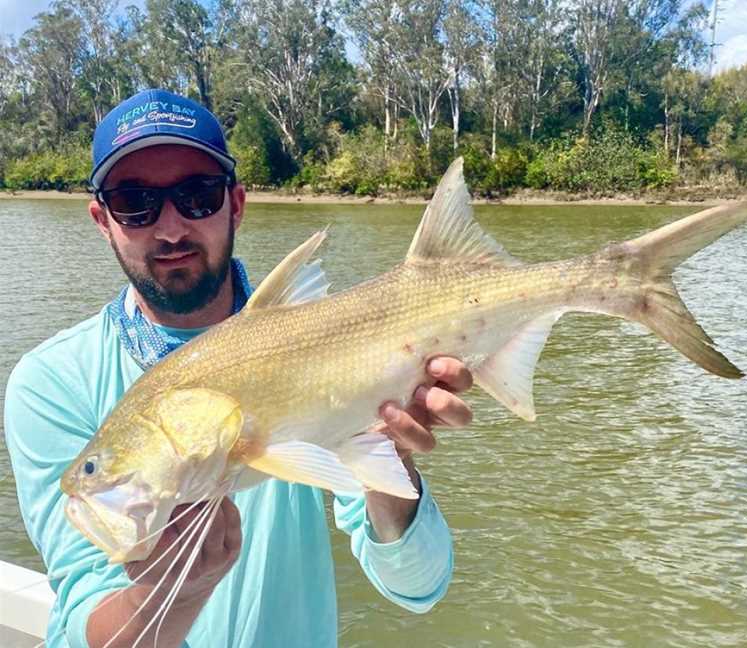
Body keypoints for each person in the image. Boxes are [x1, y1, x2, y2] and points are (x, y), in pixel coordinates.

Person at [4, 89, 474, 648]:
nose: (171, 228)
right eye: (135, 201)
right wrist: (170, 595)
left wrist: (390, 471)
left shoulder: (330, 340)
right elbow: (85, 621)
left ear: (238, 203)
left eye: (197, 195)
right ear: (102, 220)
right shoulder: (52, 382)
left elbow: (417, 588)